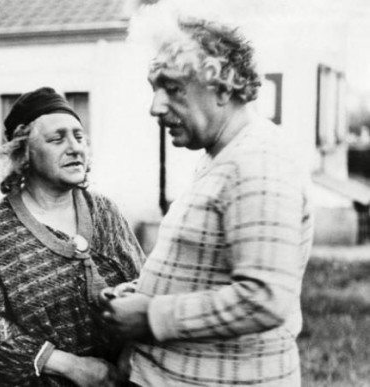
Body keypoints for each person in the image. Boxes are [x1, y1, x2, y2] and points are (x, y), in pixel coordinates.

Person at [99, 12, 313, 387]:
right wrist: (141, 294)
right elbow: (210, 269)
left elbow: (264, 298)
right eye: (154, 88)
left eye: (173, 87)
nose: (156, 106)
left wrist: (151, 315)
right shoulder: (223, 156)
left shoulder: (259, 161)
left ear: (223, 87)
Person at [0, 87, 145, 387]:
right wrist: (70, 366)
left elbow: (141, 288)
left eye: (79, 137)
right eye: (57, 139)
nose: (74, 147)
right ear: (23, 153)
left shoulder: (105, 212)